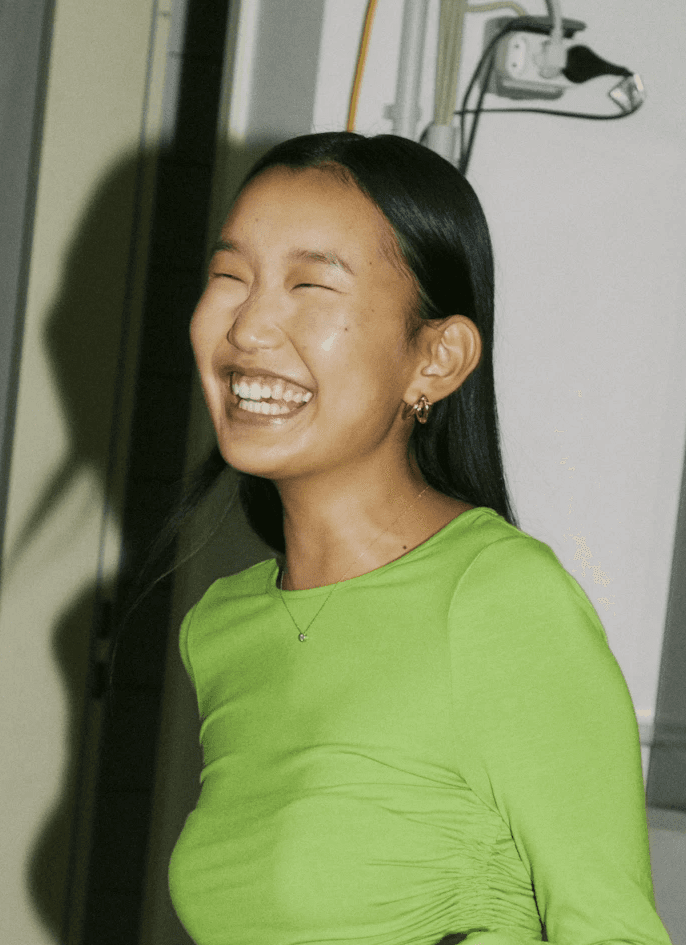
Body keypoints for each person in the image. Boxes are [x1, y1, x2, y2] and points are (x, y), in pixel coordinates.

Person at [168, 132, 670, 945]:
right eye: (230, 277)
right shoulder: (221, 626)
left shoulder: (497, 599)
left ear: (437, 358)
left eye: (310, 284)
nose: (249, 325)